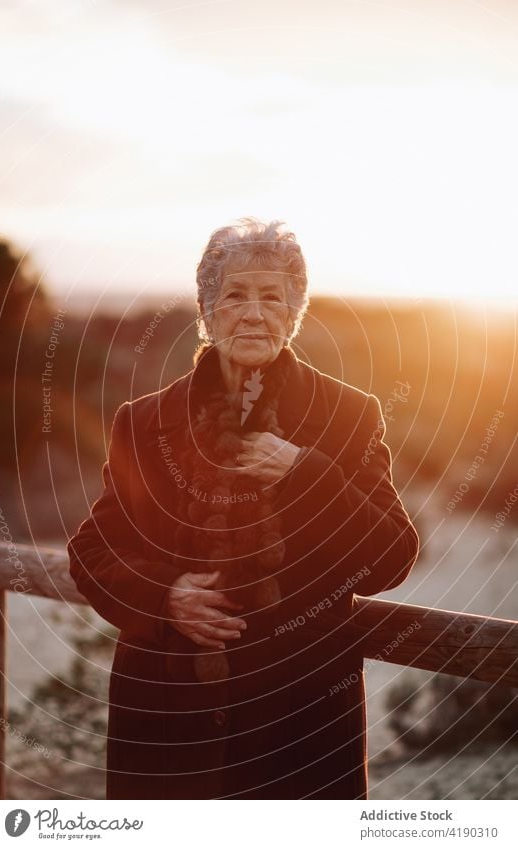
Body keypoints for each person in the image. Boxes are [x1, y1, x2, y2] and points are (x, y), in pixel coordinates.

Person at [67, 216, 419, 799]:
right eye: (234, 295)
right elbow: (93, 551)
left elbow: (392, 558)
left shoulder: (350, 415)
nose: (253, 313)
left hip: (301, 730)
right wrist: (165, 596)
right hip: (164, 725)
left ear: (293, 312)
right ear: (207, 310)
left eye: (271, 297)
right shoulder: (144, 420)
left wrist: (305, 473)